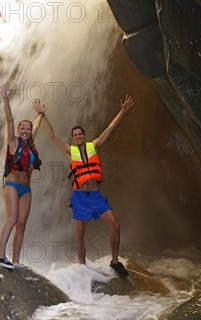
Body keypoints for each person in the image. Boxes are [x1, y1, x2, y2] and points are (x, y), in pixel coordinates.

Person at [34, 95, 134, 277]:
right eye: (75, 135)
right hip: (79, 198)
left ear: (84, 136)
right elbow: (52, 135)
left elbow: (110, 128)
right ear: (72, 139)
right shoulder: (70, 152)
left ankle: (114, 261)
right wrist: (43, 114)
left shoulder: (93, 146)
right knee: (79, 234)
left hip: (95, 197)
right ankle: (82, 267)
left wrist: (123, 112)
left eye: (80, 134)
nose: (78, 137)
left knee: (115, 224)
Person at [0, 83, 45, 269]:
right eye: (22, 128)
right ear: (18, 130)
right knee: (12, 219)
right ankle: (0, 255)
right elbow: (9, 120)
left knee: (21, 224)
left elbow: (37, 124)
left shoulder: (31, 145)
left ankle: (15, 261)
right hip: (12, 186)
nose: (25, 131)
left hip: (26, 189)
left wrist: (40, 114)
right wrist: (5, 100)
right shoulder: (13, 142)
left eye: (28, 129)